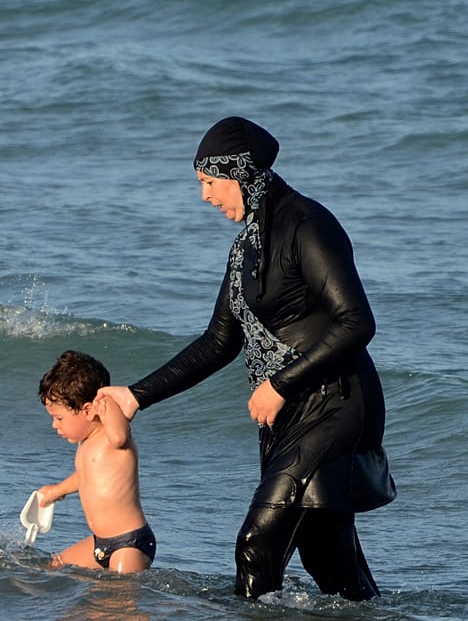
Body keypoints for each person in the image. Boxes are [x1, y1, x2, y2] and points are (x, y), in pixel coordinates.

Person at [97, 116, 395, 601]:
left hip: (335, 404)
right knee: (330, 561)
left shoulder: (309, 226)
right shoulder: (246, 247)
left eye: (210, 183)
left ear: (240, 173)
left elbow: (357, 323)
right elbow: (219, 341)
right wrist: (135, 395)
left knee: (257, 544)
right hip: (292, 414)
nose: (206, 197)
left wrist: (279, 384)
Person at [36, 350, 156, 574]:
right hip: (99, 543)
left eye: (59, 418)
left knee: (119, 597)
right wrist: (57, 490)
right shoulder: (86, 443)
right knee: (55, 566)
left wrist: (107, 403)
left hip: (129, 543)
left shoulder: (112, 435)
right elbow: (86, 477)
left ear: (89, 410)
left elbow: (121, 436)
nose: (54, 425)